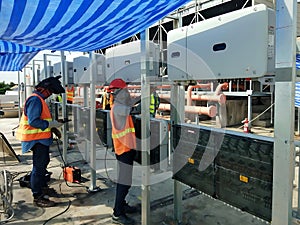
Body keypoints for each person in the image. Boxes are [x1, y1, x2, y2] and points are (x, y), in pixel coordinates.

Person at [16, 75, 65, 207]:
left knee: (43, 163)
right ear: (43, 89)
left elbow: (43, 120)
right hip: (36, 139)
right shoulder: (35, 100)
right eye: (49, 92)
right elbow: (34, 121)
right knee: (38, 167)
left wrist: (53, 127)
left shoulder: (39, 99)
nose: (50, 95)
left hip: (41, 139)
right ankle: (38, 196)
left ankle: (42, 187)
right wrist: (51, 125)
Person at [109, 78, 140, 225]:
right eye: (125, 91)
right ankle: (117, 212)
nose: (127, 93)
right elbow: (135, 109)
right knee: (124, 182)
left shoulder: (119, 105)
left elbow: (132, 104)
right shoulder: (117, 107)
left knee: (126, 181)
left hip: (126, 148)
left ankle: (122, 206)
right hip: (123, 150)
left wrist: (145, 94)